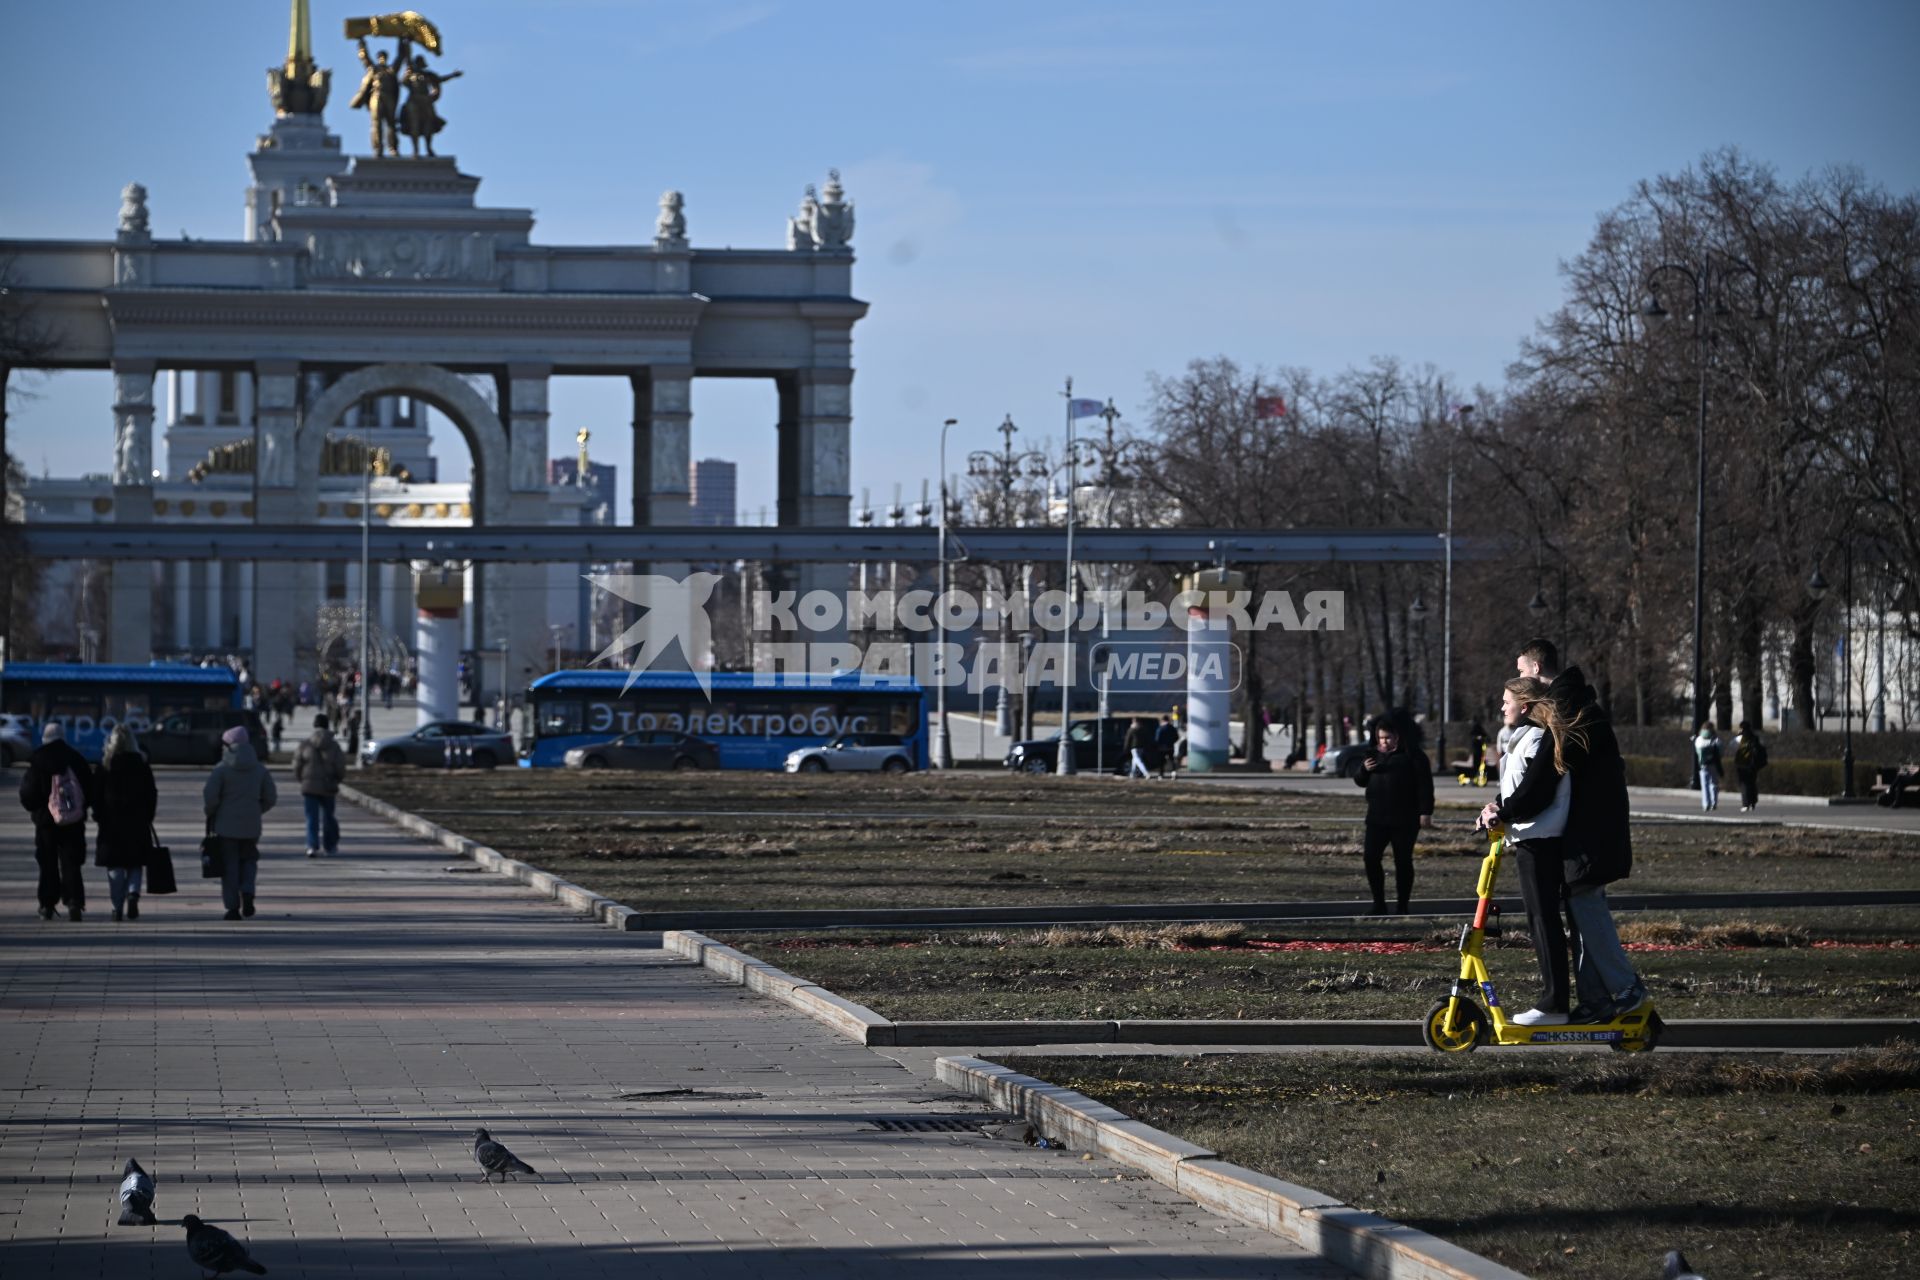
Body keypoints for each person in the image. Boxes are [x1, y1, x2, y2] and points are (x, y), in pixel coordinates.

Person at [1506, 638, 1646, 1022]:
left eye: (1520, 671)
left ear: (1535, 669)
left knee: (1588, 909)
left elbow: (1546, 773)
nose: (1519, 679)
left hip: (1592, 830)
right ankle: (1597, 999)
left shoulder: (1565, 707)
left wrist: (1507, 810)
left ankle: (1625, 990)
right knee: (1582, 911)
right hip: (1589, 828)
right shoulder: (1571, 701)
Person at [1486, 678, 1573, 1025]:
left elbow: (1535, 793)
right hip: (1528, 838)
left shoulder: (1536, 738)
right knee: (1539, 921)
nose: (1502, 707)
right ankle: (1554, 1002)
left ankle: (1555, 1005)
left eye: (1506, 701)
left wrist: (1503, 813)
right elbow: (1516, 790)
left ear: (1524, 706)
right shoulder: (1526, 737)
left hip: (1540, 839)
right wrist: (1494, 809)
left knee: (1543, 920)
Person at [1351, 709, 1433, 914]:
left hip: (1405, 819)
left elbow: (1425, 786)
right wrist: (1364, 770)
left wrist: (1425, 812)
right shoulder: (1373, 755)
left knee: (1403, 861)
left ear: (1398, 736)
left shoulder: (1413, 756)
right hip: (1377, 818)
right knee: (1371, 858)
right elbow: (1360, 781)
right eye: (1380, 738)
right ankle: (1378, 903)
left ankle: (1402, 905)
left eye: (1387, 738)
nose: (1383, 742)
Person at [20, 723, 96, 921]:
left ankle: (47, 904)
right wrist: (80, 808)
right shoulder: (76, 759)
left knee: (47, 863)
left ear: (45, 738)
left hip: (46, 823)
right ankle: (74, 902)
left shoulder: (37, 761)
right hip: (73, 821)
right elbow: (90, 789)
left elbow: (28, 794)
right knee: (71, 863)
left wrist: (38, 809)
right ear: (63, 737)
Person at [204, 725, 277, 921]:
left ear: (227, 745)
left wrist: (212, 813)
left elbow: (210, 797)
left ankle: (233, 908)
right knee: (250, 860)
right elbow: (271, 797)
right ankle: (248, 890)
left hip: (225, 826)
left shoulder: (221, 769)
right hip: (251, 825)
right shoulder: (259, 769)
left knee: (229, 866)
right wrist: (256, 810)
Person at [93, 725, 159, 922]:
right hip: (137, 821)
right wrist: (148, 816)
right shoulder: (142, 765)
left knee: (115, 865)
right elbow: (151, 794)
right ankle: (132, 894)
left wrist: (98, 815)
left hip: (111, 824)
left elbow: (95, 796)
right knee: (135, 862)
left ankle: (117, 906)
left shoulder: (105, 766)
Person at [293, 714, 346, 859]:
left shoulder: (305, 744)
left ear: (314, 726)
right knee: (329, 817)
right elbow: (340, 766)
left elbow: (297, 765)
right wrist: (337, 779)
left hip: (309, 786)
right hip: (328, 786)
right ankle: (330, 846)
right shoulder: (334, 746)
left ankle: (312, 846)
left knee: (311, 817)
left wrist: (302, 779)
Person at [1733, 721, 1768, 812]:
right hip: (1753, 765)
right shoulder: (1755, 738)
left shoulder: (1739, 738)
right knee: (1752, 784)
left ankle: (1745, 804)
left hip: (1742, 764)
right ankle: (1753, 803)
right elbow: (1762, 748)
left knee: (1744, 785)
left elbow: (1731, 747)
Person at [1693, 723, 1723, 811]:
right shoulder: (1715, 739)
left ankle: (1706, 804)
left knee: (1704, 785)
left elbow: (1697, 752)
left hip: (1703, 764)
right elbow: (1720, 750)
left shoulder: (1698, 739)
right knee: (1714, 783)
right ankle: (1714, 803)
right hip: (1713, 764)